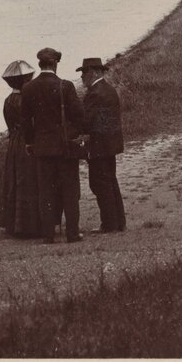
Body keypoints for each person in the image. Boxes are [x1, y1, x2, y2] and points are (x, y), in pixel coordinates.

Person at [21, 47, 86, 244]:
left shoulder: (28, 88)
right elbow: (78, 114)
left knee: (46, 192)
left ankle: (48, 235)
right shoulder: (65, 86)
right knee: (70, 191)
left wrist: (30, 142)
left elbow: (25, 121)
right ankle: (72, 234)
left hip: (42, 148)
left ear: (40, 64)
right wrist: (80, 131)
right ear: (55, 64)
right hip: (64, 147)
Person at [0, 60, 44, 237]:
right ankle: (32, 224)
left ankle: (14, 224)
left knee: (15, 179)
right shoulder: (28, 98)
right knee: (31, 179)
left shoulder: (8, 100)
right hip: (28, 140)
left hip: (15, 143)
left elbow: (9, 124)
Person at [78, 57, 126, 233]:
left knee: (99, 184)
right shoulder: (108, 89)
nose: (82, 76)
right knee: (110, 181)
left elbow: (86, 120)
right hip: (110, 144)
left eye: (85, 72)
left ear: (96, 72)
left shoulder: (94, 93)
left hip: (99, 145)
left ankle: (109, 224)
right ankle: (118, 221)